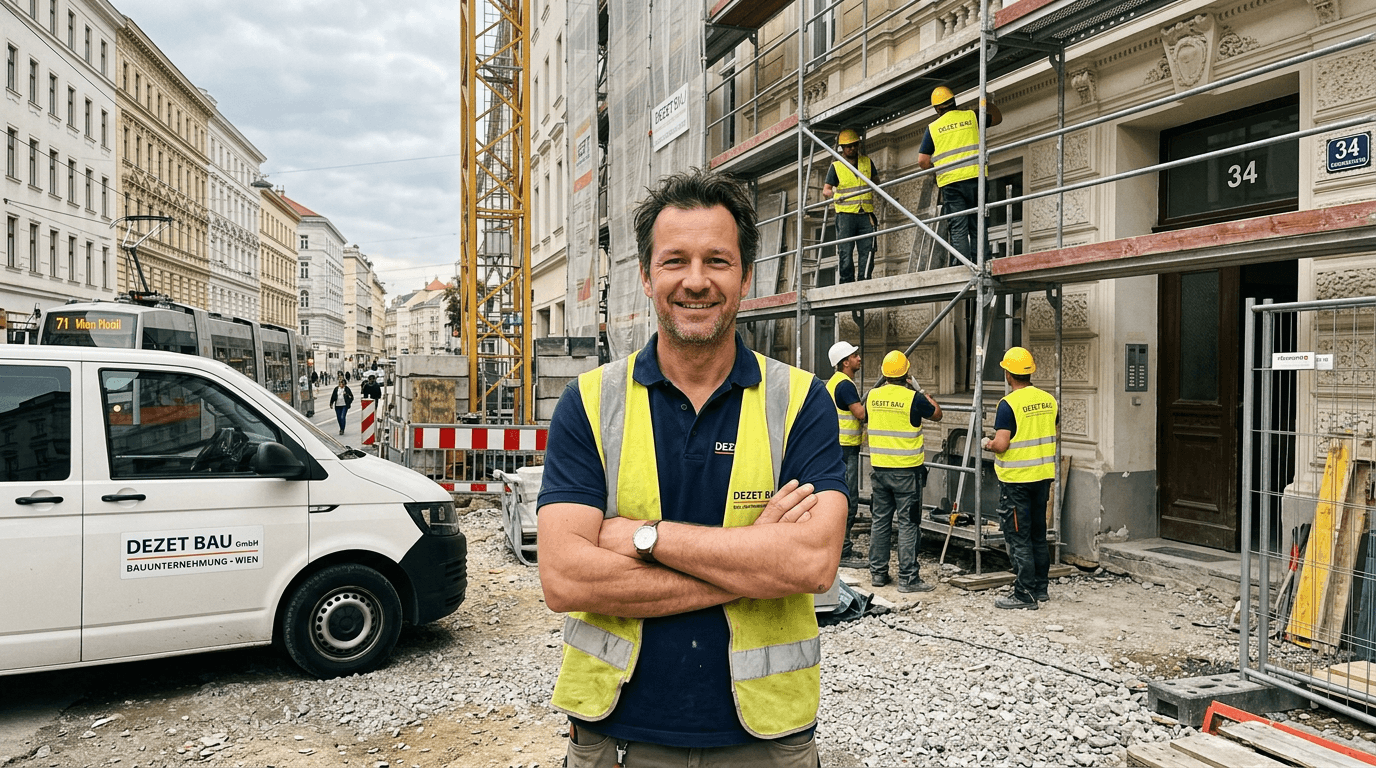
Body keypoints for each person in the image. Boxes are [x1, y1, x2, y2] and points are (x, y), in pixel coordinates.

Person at [537, 168, 848, 766]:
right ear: (647, 278)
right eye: (675, 260)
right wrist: (751, 558)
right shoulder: (592, 402)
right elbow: (566, 579)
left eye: (718, 261)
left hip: (764, 742)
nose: (697, 281)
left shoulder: (801, 402)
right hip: (618, 736)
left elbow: (811, 564)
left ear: (745, 277)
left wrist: (645, 538)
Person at [982, 347, 1057, 610]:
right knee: (1038, 534)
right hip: (1042, 477)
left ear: (1007, 374)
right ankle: (1041, 588)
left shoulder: (1008, 404)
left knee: (1019, 537)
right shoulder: (1049, 400)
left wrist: (987, 443)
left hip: (1017, 481)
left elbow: (1002, 444)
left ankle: (1024, 594)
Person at [864, 350, 942, 592]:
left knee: (880, 521)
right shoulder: (913, 399)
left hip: (880, 469)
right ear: (906, 373)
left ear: (884, 372)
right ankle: (908, 578)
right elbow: (938, 415)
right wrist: (923, 394)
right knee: (908, 524)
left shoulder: (872, 396)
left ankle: (878, 574)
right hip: (907, 472)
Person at [916, 86, 1002, 265]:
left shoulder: (933, 128)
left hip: (951, 183)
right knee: (978, 223)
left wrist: (938, 168)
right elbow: (997, 118)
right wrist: (987, 102)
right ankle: (982, 262)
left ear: (937, 108)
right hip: (975, 178)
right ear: (954, 101)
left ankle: (962, 266)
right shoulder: (971, 116)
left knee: (958, 227)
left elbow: (923, 161)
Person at [826, 340, 868, 570]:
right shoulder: (845, 385)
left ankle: (843, 547)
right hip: (845, 448)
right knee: (848, 499)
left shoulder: (834, 382)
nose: (859, 358)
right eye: (855, 355)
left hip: (837, 445)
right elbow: (860, 414)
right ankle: (842, 551)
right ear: (845, 362)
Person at [821, 128, 878, 283]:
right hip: (845, 215)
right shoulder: (836, 166)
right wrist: (835, 195)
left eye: (854, 145)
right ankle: (847, 282)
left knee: (868, 249)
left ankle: (865, 279)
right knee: (845, 251)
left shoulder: (867, 162)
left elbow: (876, 181)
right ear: (842, 148)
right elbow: (826, 190)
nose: (852, 148)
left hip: (865, 213)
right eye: (848, 146)